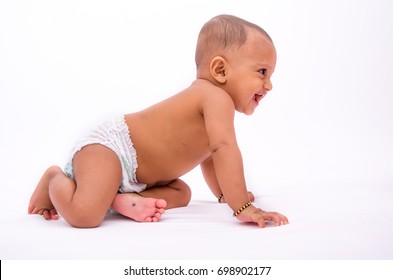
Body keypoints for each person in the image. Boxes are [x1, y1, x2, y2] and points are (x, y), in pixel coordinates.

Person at [28, 14, 289, 228]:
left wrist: (223, 194)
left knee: (182, 194)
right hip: (111, 149)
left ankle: (118, 200)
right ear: (220, 70)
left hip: (138, 179)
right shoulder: (215, 99)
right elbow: (224, 149)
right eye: (262, 72)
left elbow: (210, 156)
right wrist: (241, 205)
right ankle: (53, 179)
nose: (269, 85)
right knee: (85, 215)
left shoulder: (214, 103)